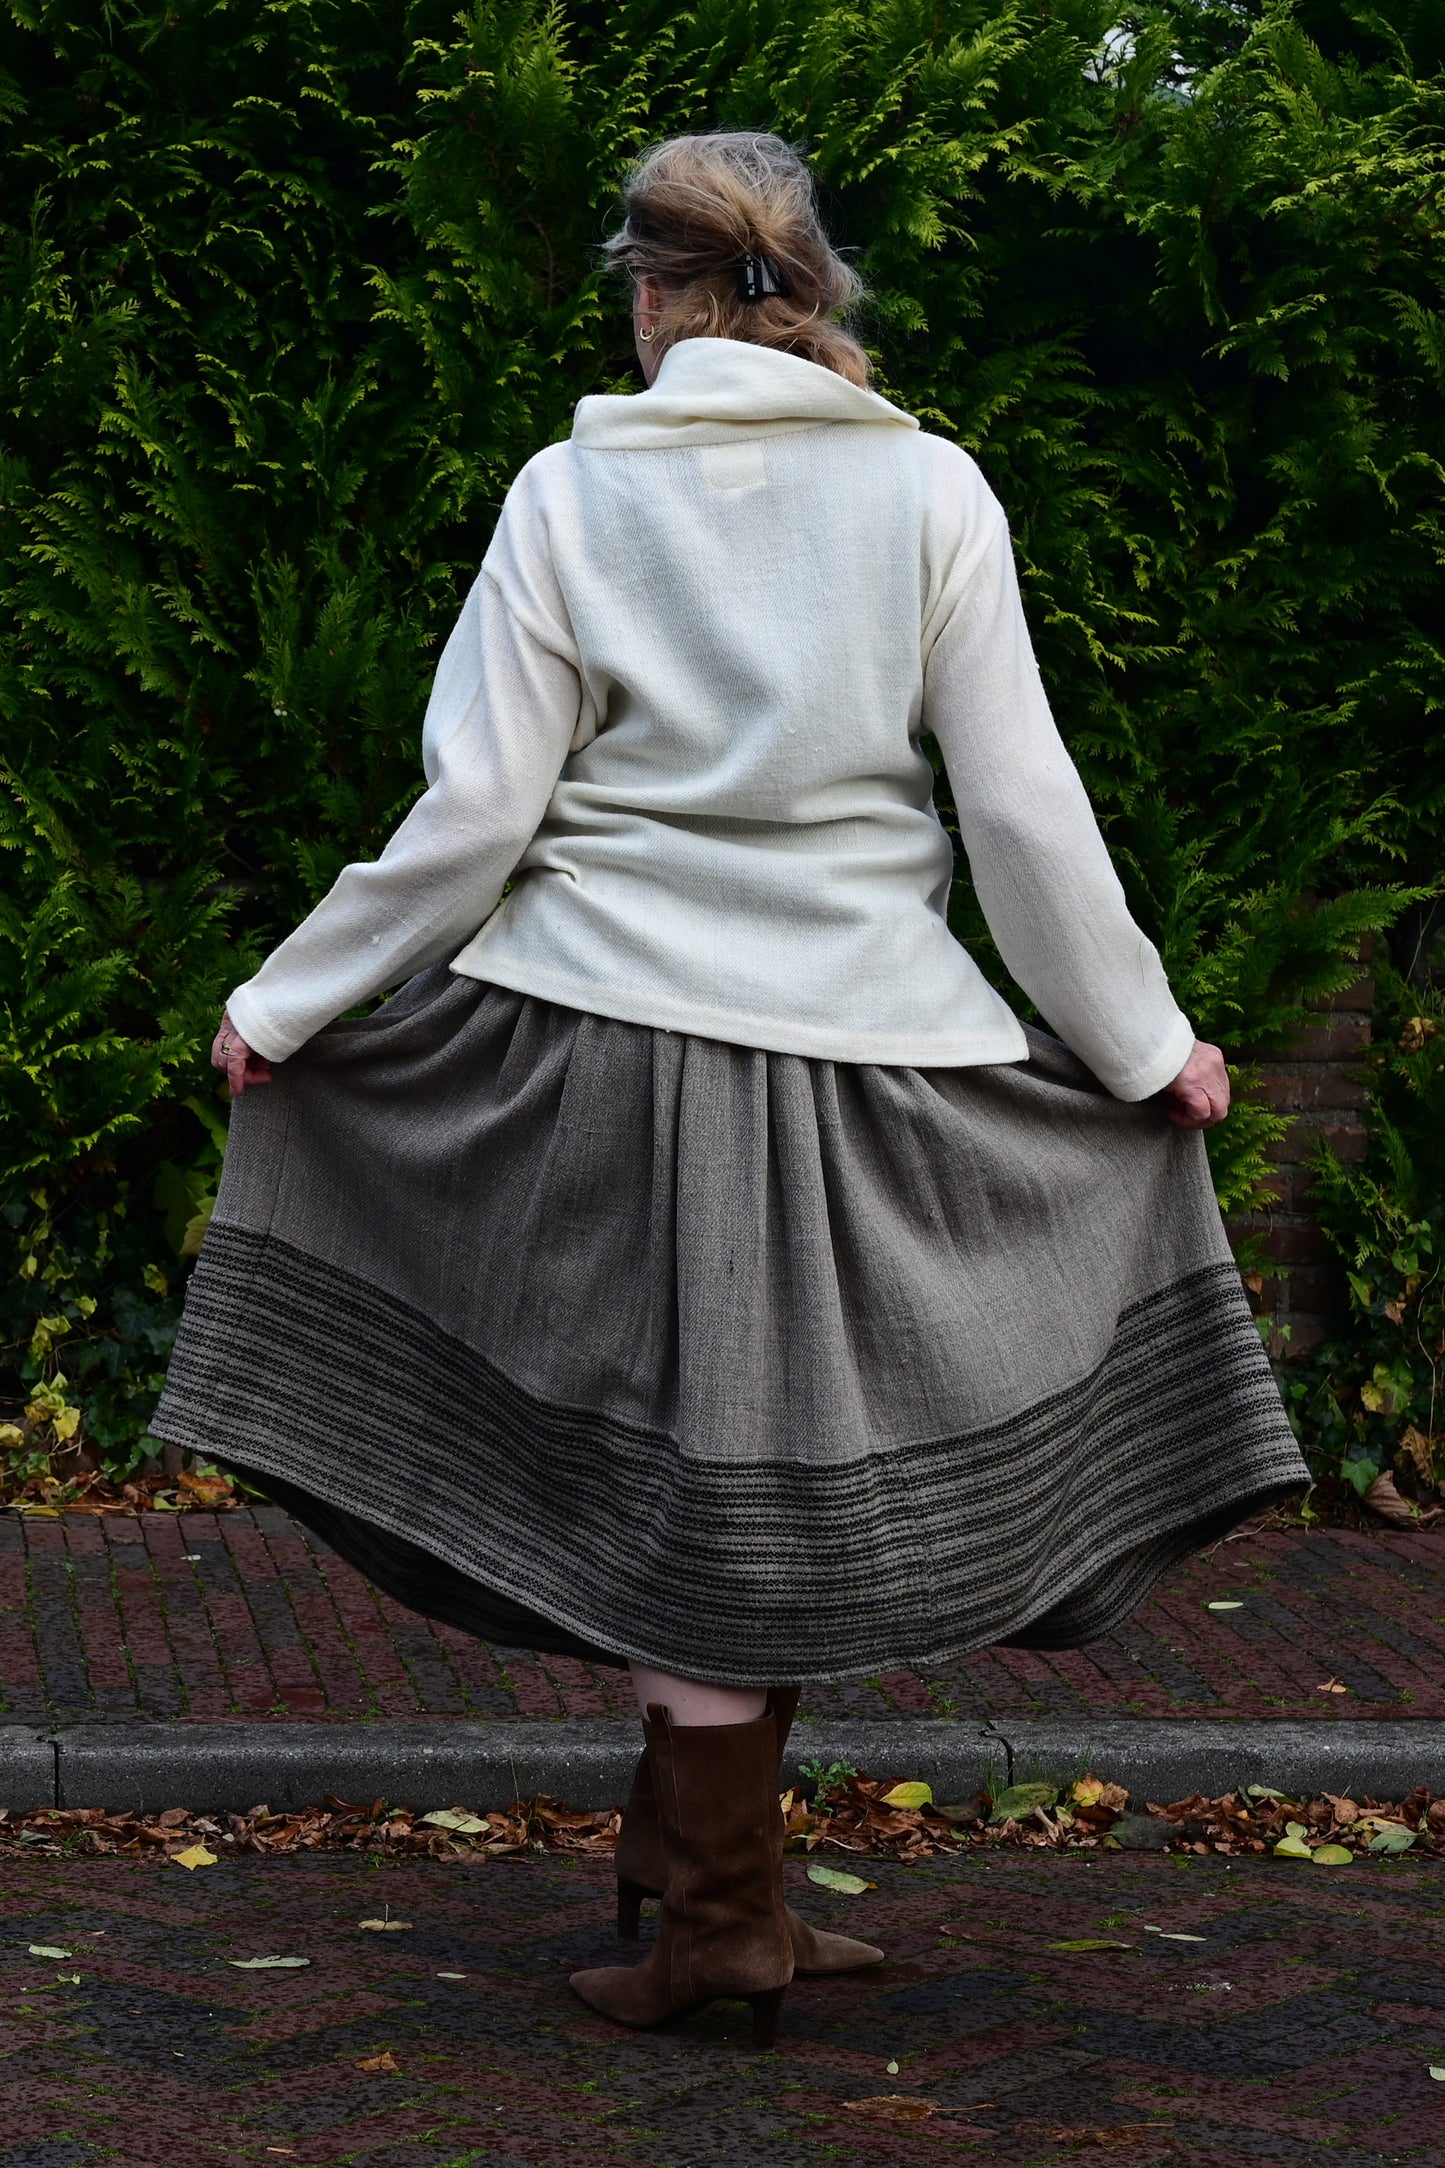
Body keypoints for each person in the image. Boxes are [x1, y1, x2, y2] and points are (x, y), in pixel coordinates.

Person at [153, 129, 1309, 2048]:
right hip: (865, 1065)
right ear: (815, 287)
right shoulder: (932, 489)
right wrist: (1137, 1044)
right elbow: (1018, 811)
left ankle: (713, 1921)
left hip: (591, 1056)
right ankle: (717, 1898)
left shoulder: (567, 492)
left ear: (649, 291)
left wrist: (289, 1001)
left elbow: (474, 815)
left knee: (703, 1510)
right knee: (735, 1506)